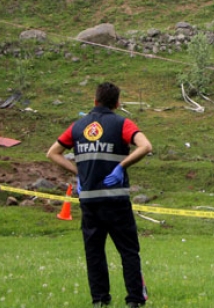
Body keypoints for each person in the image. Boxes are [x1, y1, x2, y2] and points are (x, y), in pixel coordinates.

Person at [46, 82, 153, 308]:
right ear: (117, 103)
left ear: (94, 101)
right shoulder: (122, 123)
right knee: (128, 251)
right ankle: (134, 299)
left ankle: (100, 300)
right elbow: (145, 146)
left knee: (94, 252)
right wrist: (121, 166)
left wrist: (79, 173)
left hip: (90, 201)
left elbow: (53, 153)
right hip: (115, 199)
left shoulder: (77, 127)